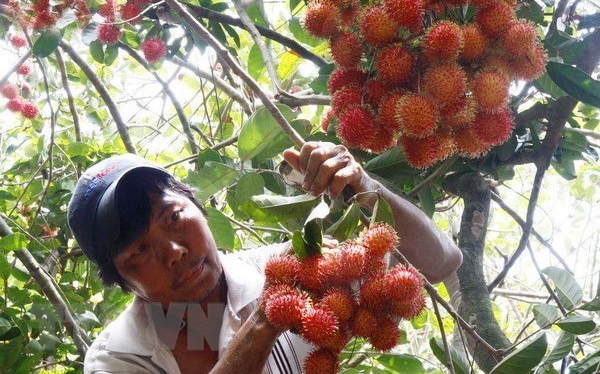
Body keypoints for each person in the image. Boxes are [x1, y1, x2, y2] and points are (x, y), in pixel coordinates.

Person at [68, 141, 462, 374]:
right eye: (139, 250)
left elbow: (441, 261)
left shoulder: (293, 268)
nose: (174, 251)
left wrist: (366, 187)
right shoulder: (117, 358)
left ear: (198, 205)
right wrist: (266, 318)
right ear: (119, 280)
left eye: (173, 217)